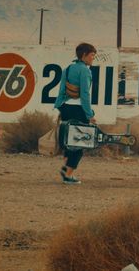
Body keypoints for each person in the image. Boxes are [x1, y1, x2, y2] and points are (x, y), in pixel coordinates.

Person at [54, 43, 97, 185]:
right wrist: (89, 114)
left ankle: (65, 168)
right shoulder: (85, 71)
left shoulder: (68, 68)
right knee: (79, 143)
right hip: (79, 110)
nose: (93, 58)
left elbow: (61, 89)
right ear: (84, 55)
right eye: (91, 55)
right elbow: (85, 94)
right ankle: (68, 175)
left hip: (66, 107)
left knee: (68, 141)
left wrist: (60, 106)